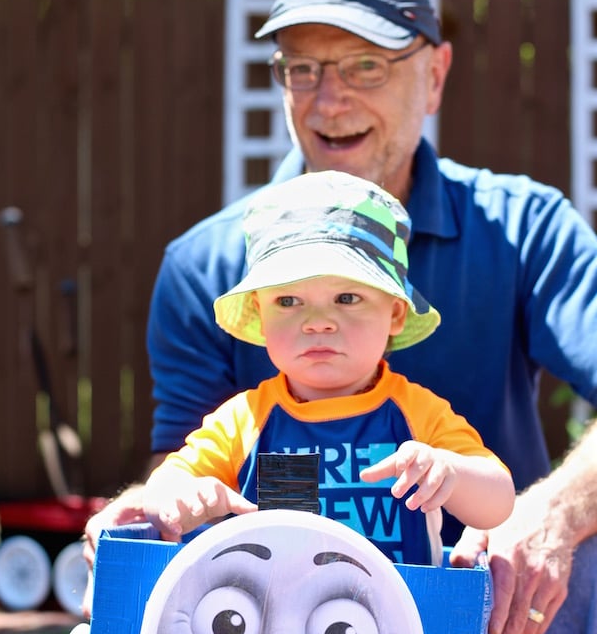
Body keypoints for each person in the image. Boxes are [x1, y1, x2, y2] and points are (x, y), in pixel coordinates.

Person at [84, 0, 597, 634]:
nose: (330, 100)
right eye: (304, 69)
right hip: (278, 605)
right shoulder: (205, 265)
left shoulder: (525, 227)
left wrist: (547, 517)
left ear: (434, 74)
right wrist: (146, 506)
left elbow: (509, 500)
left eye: (366, 64)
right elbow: (189, 473)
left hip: (482, 579)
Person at [142, 170, 514, 553]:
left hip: (402, 609)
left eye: (347, 298)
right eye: (288, 301)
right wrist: (183, 494)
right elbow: (161, 489)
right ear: (260, 314)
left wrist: (449, 471)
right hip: (276, 609)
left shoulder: (417, 414)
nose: (317, 322)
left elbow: (498, 501)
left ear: (396, 314)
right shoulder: (245, 421)